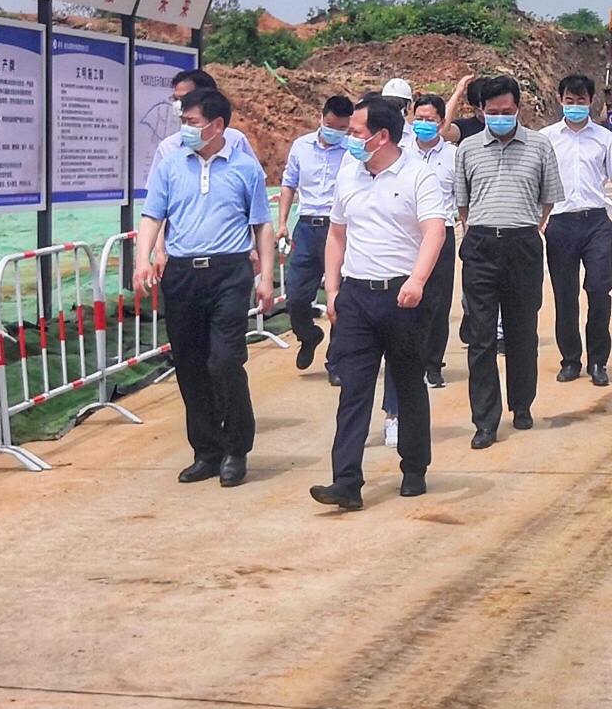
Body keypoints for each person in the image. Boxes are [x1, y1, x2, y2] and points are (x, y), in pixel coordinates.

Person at [309, 97, 448, 511]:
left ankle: (414, 467)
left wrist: (417, 280)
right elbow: (337, 234)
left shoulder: (418, 175)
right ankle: (346, 481)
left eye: (355, 132)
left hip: (403, 296)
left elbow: (435, 231)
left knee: (407, 383)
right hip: (356, 296)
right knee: (353, 388)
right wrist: (333, 290)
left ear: (381, 136)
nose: (349, 138)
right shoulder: (349, 174)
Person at [134, 88, 275, 488]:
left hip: (229, 272)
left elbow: (262, 225)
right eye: (183, 122)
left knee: (225, 361)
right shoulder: (170, 165)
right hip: (182, 274)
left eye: (192, 122)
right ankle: (207, 451)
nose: (185, 129)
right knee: (190, 364)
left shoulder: (245, 169)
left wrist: (266, 277)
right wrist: (142, 259)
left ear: (217, 125)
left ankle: (236, 448)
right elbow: (152, 216)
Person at [454, 75, 563, 448]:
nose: (500, 117)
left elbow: (549, 197)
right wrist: (480, 227)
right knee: (481, 336)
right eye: (493, 111)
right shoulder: (467, 148)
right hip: (481, 245)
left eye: (507, 111)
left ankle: (522, 404)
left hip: (523, 244)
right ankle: (485, 421)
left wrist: (528, 223)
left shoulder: (539, 146)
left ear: (518, 108)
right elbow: (462, 202)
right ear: (481, 111)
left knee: (522, 331)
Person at [541, 74, 612, 386]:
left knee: (599, 290)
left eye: (581, 101)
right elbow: (536, 181)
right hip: (560, 223)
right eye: (569, 100)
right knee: (565, 295)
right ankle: (570, 360)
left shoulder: (604, 138)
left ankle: (598, 361)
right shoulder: (546, 138)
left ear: (591, 101)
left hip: (595, 223)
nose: (575, 106)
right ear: (560, 100)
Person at [277, 96, 354, 374]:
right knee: (296, 296)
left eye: (342, 128)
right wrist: (282, 223)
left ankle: (337, 361)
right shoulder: (301, 147)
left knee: (340, 299)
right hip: (307, 228)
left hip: (340, 229)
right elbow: (289, 184)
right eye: (331, 126)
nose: (336, 132)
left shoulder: (352, 151)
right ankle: (308, 335)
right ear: (321, 118)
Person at [403, 92, 459, 388]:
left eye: (429, 120)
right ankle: (408, 360)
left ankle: (434, 364)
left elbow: (462, 198)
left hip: (441, 234)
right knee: (406, 298)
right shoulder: (400, 152)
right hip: (407, 234)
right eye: (419, 118)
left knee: (437, 302)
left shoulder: (453, 156)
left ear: (441, 122)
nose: (423, 124)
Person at [144, 68, 257, 190]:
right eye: (175, 99)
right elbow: (156, 194)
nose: (179, 104)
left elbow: (253, 186)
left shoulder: (235, 141)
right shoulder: (167, 147)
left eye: (185, 98)